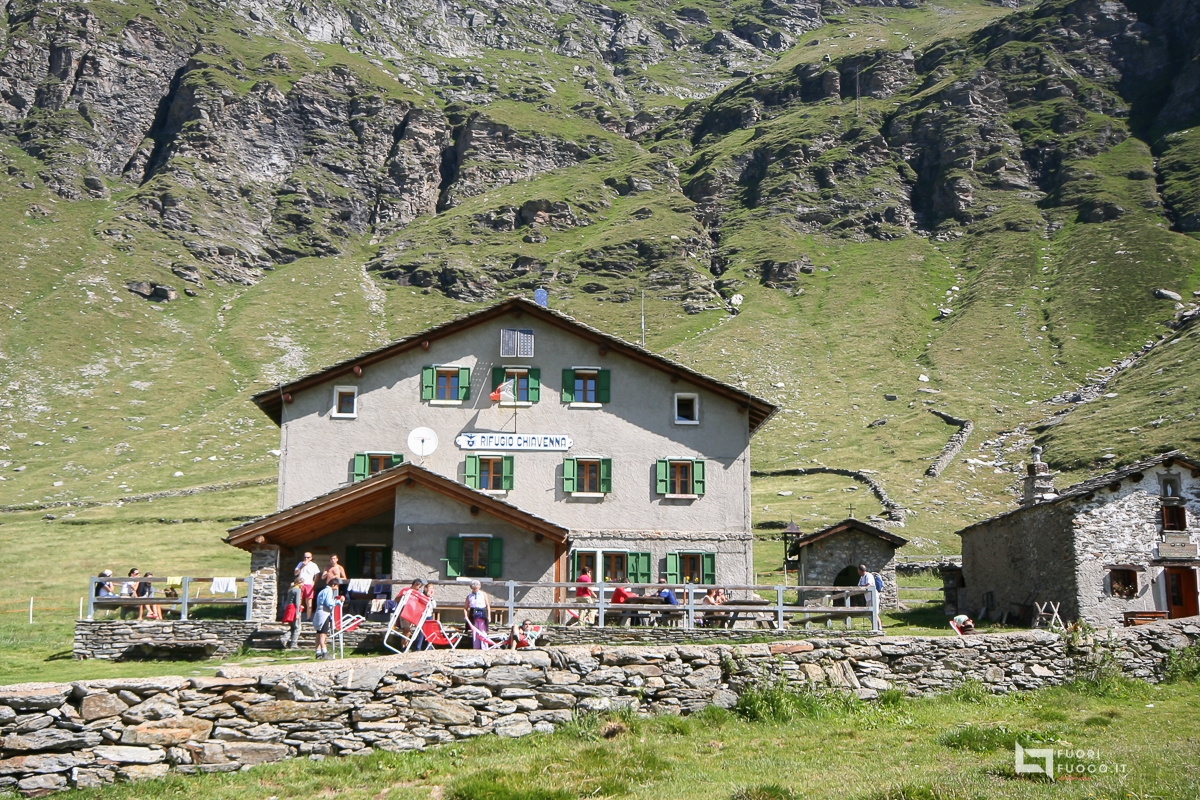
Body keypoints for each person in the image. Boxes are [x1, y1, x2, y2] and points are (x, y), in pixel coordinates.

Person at [312, 578, 340, 659]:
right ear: (333, 585)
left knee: (318, 633)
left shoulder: (322, 591)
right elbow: (328, 603)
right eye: (336, 586)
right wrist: (337, 602)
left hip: (318, 611)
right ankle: (325, 652)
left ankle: (318, 653)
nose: (337, 588)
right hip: (324, 613)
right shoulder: (329, 591)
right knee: (323, 634)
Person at [465, 580, 492, 648]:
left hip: (482, 614)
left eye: (476, 588)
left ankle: (484, 648)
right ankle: (476, 648)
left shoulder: (483, 594)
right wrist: (466, 616)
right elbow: (465, 607)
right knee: (475, 632)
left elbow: (487, 605)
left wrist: (489, 616)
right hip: (473, 615)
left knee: (483, 631)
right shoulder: (469, 596)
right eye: (474, 588)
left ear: (479, 587)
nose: (475, 589)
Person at [294, 552, 320, 619]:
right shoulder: (300, 563)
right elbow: (295, 573)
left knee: (309, 603)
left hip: (309, 585)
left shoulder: (314, 565)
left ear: (311, 558)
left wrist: (313, 583)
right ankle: (297, 616)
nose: (306, 559)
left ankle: (308, 618)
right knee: (298, 601)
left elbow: (317, 575)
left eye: (308, 557)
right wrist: (302, 566)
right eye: (305, 557)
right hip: (300, 585)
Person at [284, 578, 304, 649]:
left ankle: (284, 638)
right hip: (294, 610)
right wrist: (298, 613)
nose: (303, 584)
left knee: (293, 627)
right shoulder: (297, 590)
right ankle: (293, 644)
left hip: (289, 609)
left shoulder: (290, 590)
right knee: (297, 627)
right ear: (299, 583)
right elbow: (297, 602)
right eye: (302, 583)